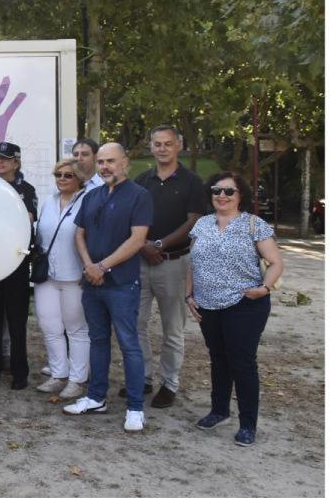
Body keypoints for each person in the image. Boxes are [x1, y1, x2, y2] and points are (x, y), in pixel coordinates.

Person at [187, 172, 284, 447]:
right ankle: (219, 411)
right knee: (218, 359)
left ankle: (247, 425)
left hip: (245, 304)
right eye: (217, 190)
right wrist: (188, 295)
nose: (222, 196)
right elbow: (192, 263)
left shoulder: (255, 225)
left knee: (242, 363)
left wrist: (264, 288)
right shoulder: (202, 225)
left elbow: (275, 262)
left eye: (229, 191)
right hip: (207, 303)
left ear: (240, 195)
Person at [63, 142, 152, 434]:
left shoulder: (139, 196)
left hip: (122, 285)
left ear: (124, 162)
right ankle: (96, 397)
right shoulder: (92, 196)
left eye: (111, 161)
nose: (105, 167)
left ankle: (135, 408)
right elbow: (79, 234)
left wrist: (102, 267)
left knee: (129, 345)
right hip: (93, 284)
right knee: (98, 341)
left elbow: (137, 240)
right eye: (101, 162)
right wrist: (90, 266)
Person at [131, 125, 207, 408]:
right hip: (140, 261)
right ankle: (143, 378)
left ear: (178, 146)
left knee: (172, 328)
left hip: (173, 263)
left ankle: (169, 383)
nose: (162, 148)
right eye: (157, 144)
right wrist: (143, 244)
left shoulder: (191, 181)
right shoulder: (141, 180)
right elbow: (132, 217)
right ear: (151, 147)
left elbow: (194, 220)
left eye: (168, 143)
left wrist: (159, 245)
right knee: (136, 324)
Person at [0, 141, 37, 390]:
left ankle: (19, 371)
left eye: (5, 158)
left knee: (16, 321)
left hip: (16, 262)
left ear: (16, 162)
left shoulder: (26, 188)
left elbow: (28, 220)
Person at [33, 158, 89, 399]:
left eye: (68, 175)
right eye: (58, 175)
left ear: (79, 179)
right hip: (47, 274)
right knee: (49, 325)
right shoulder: (49, 201)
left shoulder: (86, 201)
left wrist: (88, 267)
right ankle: (58, 373)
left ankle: (77, 379)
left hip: (74, 274)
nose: (62, 179)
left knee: (76, 328)